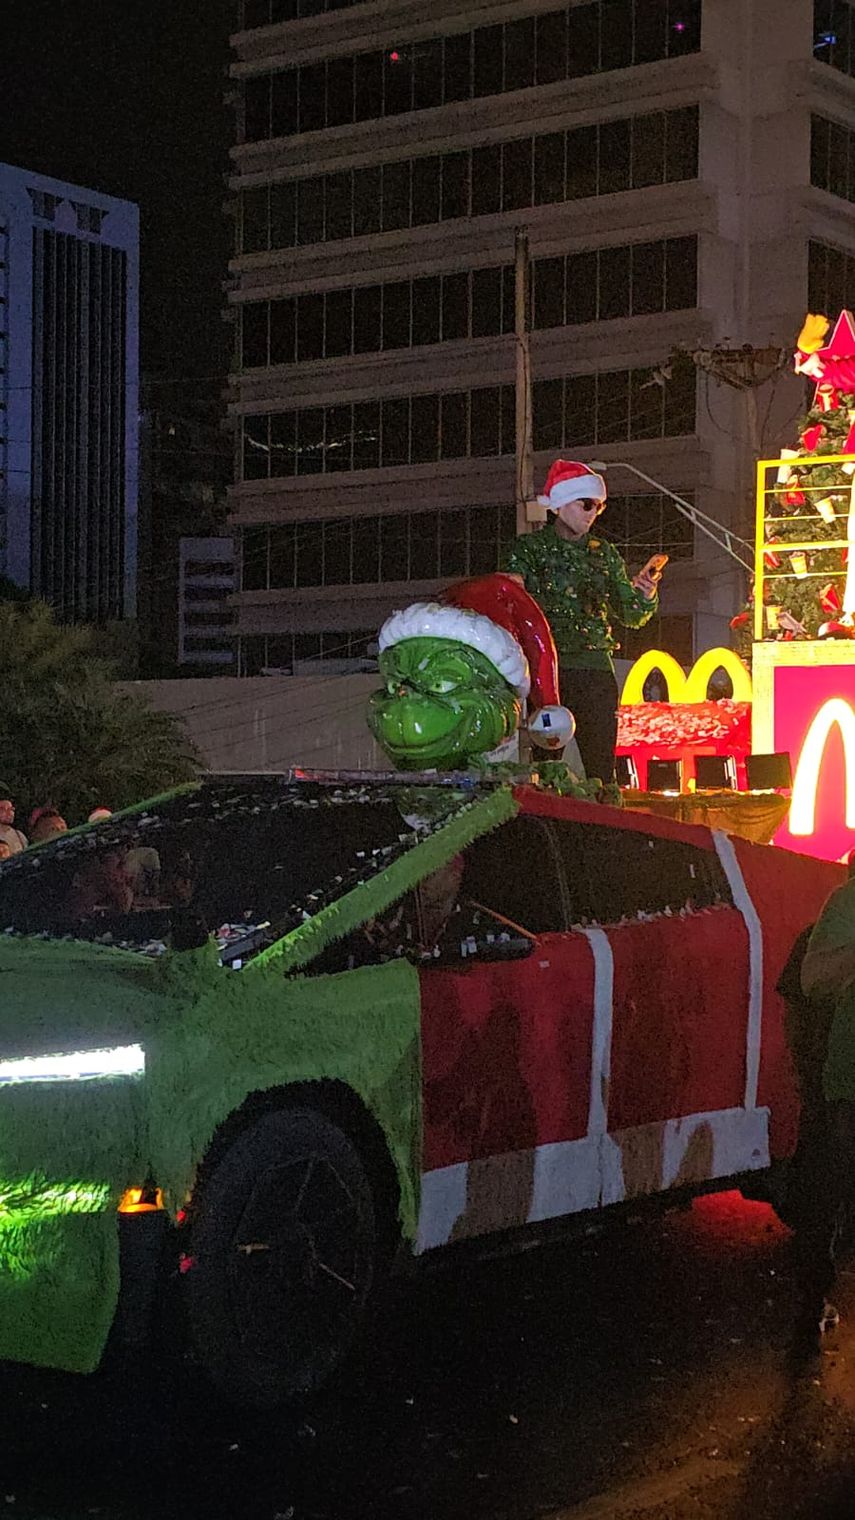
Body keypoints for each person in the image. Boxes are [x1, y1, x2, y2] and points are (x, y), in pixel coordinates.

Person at [503, 458, 662, 782]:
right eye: (586, 504)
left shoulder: (603, 552)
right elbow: (510, 604)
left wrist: (646, 592)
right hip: (547, 672)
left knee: (601, 766)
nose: (593, 513)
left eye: (599, 507)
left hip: (595, 671)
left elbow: (630, 614)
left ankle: (604, 823)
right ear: (559, 505)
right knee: (546, 766)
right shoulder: (529, 549)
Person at [795, 861, 855, 1346]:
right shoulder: (846, 903)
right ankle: (812, 1298)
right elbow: (813, 979)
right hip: (849, 1079)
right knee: (832, 1192)